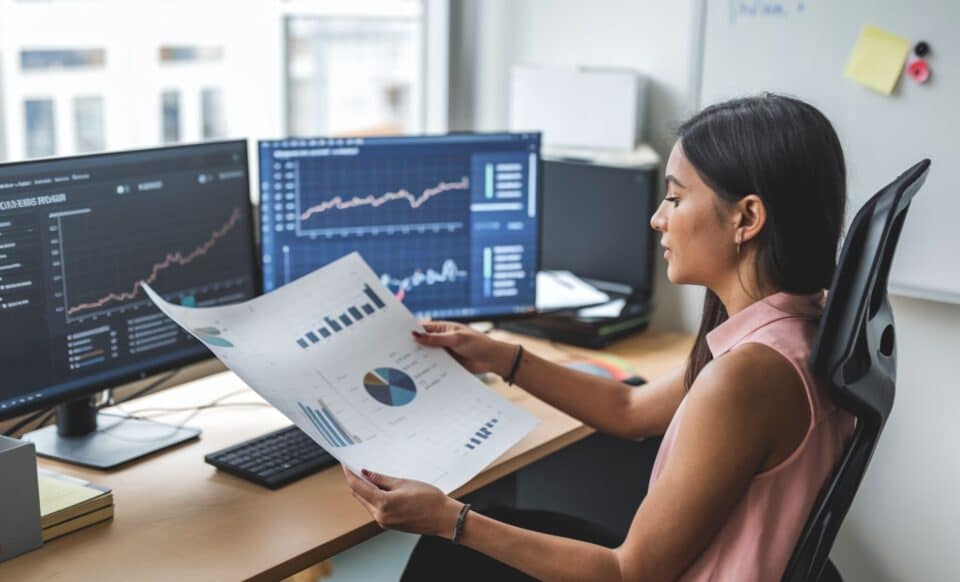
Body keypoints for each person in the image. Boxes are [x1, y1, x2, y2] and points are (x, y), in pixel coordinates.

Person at [342, 94, 856, 581]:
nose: (658, 219)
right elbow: (630, 412)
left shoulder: (747, 375)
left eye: (675, 199)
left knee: (446, 556)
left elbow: (627, 573)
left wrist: (448, 518)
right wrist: (501, 356)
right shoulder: (801, 325)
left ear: (746, 217)